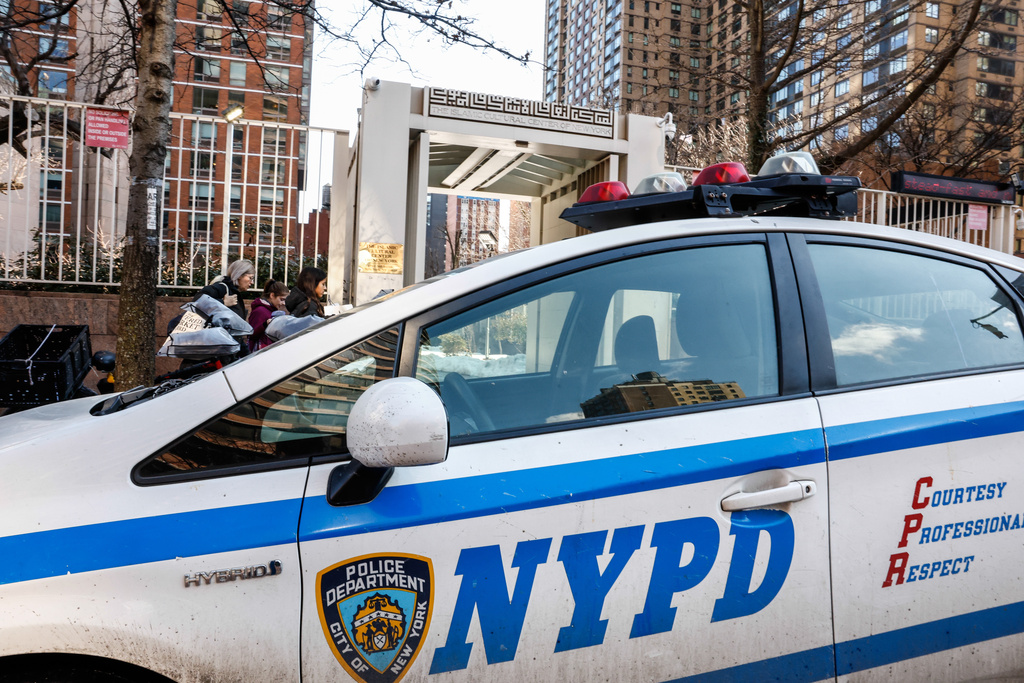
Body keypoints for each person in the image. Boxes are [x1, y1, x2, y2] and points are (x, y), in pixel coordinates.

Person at [248, 280, 289, 352]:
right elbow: (251, 334)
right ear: (272, 295)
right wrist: (265, 324)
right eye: (281, 299)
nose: (283, 303)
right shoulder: (260, 311)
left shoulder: (272, 310)